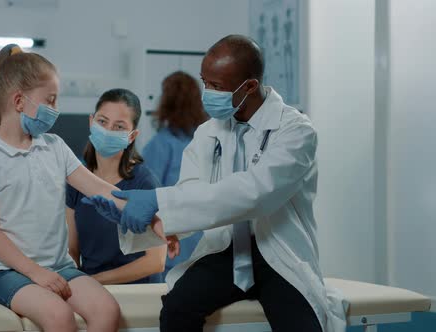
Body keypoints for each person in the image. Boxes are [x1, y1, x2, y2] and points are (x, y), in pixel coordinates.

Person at [85, 35, 347, 332]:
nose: (207, 93)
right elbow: (192, 194)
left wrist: (158, 200)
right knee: (176, 311)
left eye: (217, 87)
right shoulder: (208, 133)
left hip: (277, 252)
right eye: (204, 82)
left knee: (302, 325)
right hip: (225, 251)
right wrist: (153, 219)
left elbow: (255, 193)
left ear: (249, 86)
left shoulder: (295, 131)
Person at [0, 44, 125, 332]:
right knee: (59, 317)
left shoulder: (54, 147)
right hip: (7, 272)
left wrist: (149, 210)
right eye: (50, 101)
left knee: (107, 310)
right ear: (18, 101)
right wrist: (35, 273)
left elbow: (98, 188)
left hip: (59, 267)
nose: (55, 110)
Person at [65, 88, 166, 285]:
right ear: (91, 122)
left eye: (119, 127)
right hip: (91, 291)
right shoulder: (76, 180)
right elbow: (72, 250)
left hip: (137, 295)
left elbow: (156, 262)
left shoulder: (144, 182)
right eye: (102, 122)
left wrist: (95, 281)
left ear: (131, 136)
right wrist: (74, 283)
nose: (108, 130)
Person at [142, 71, 207, 281]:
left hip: (172, 244)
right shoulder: (206, 141)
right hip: (202, 242)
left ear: (166, 101)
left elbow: (147, 198)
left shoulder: (160, 145)